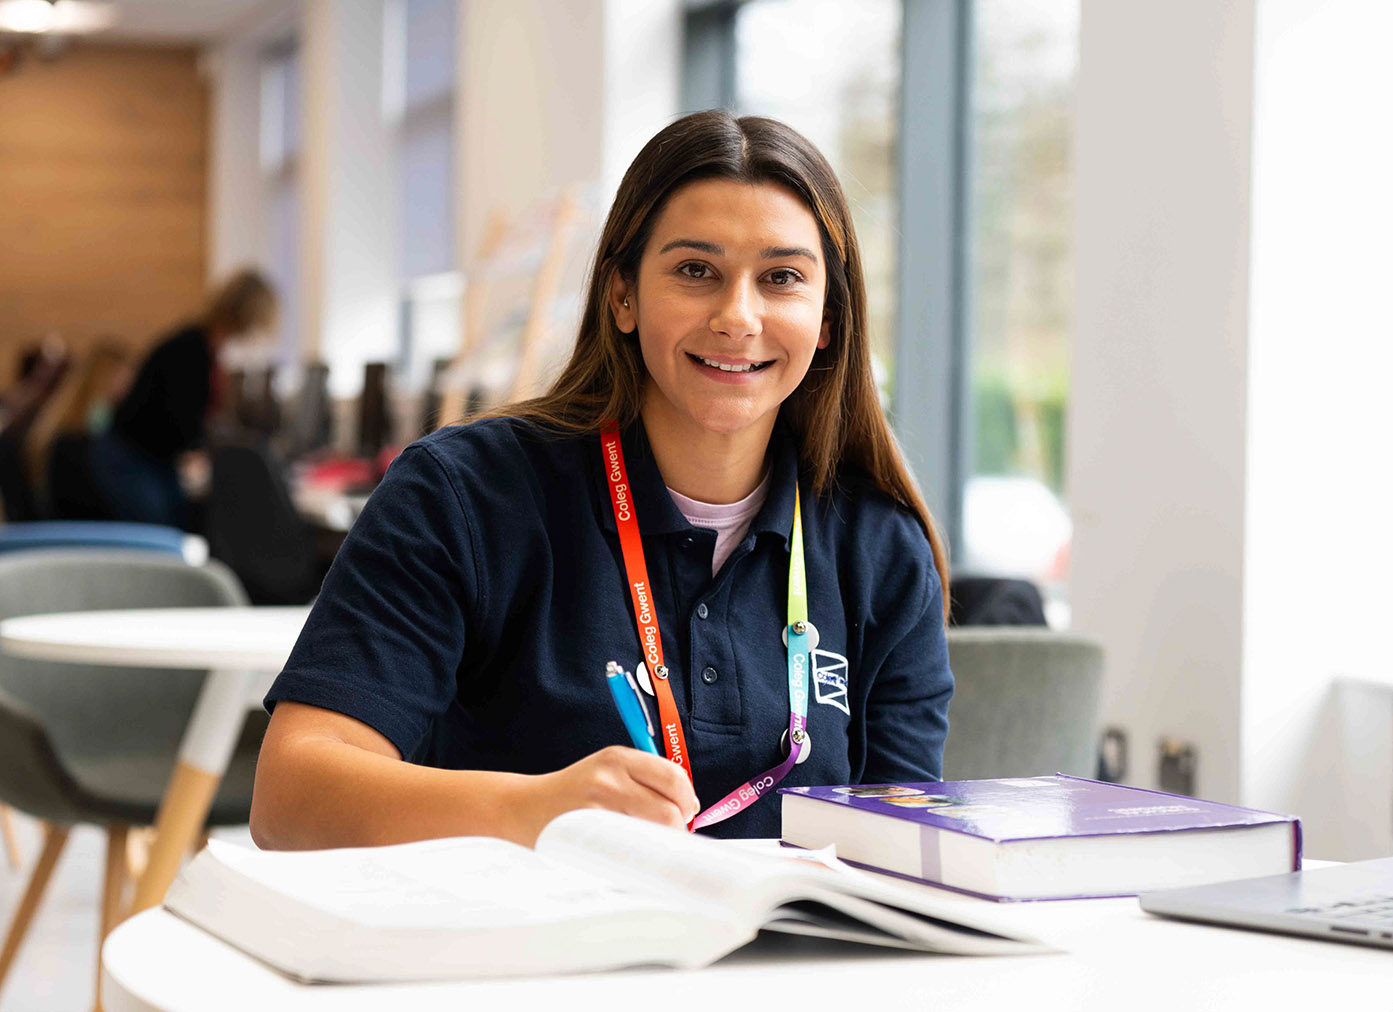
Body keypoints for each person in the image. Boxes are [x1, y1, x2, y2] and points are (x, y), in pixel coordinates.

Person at [251, 111, 953, 849]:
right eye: (694, 271)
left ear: (827, 321)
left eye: (780, 279)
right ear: (622, 295)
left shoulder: (880, 547)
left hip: (784, 961)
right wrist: (535, 811)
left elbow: (905, 855)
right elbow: (290, 797)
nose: (737, 315)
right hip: (522, 954)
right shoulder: (462, 495)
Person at [91, 269, 276, 527]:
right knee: (160, 538)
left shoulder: (203, 347)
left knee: (177, 523)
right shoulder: (192, 350)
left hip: (152, 459)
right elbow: (182, 420)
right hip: (132, 457)